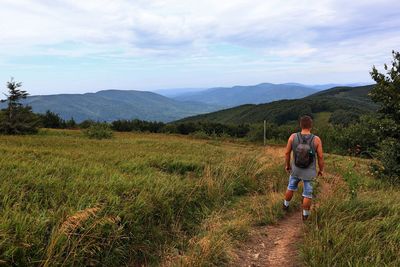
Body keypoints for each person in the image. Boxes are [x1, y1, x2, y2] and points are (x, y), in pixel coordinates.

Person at [282, 115, 324, 221]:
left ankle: (285, 206)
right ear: (311, 126)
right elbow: (320, 156)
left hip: (295, 169)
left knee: (291, 187)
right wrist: (321, 169)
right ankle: (305, 216)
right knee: (307, 194)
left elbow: (287, 153)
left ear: (300, 125)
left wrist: (287, 165)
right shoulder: (316, 139)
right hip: (309, 172)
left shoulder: (292, 137)